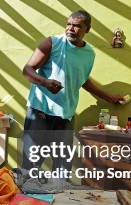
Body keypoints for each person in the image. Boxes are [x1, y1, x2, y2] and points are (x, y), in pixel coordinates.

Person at [21, 10, 124, 180]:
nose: (70, 29)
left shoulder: (89, 54)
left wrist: (109, 97)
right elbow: (27, 70)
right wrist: (46, 82)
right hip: (40, 112)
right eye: (68, 24)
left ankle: (59, 201)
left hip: (66, 115)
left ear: (87, 29)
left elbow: (82, 80)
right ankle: (23, 201)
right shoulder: (51, 43)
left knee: (62, 169)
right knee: (31, 165)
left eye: (77, 26)